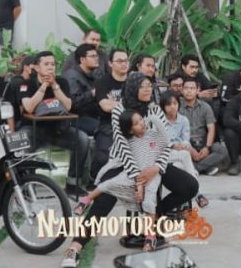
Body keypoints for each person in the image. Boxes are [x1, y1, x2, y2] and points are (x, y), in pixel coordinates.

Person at [59, 73, 199, 267]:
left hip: (152, 162)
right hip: (124, 164)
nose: (148, 89)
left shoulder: (155, 110)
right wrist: (138, 179)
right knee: (104, 199)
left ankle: (154, 218)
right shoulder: (120, 110)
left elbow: (166, 143)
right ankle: (75, 247)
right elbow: (123, 148)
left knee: (189, 186)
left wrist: (156, 168)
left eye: (149, 86)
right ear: (133, 88)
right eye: (143, 86)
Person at [72, 109, 166, 251]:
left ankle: (150, 236)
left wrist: (152, 118)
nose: (141, 123)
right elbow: (131, 161)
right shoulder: (130, 141)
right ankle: (86, 201)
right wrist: (139, 185)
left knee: (149, 201)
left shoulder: (154, 133)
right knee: (108, 185)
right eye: (137, 123)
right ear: (130, 130)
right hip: (133, 171)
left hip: (153, 174)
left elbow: (166, 140)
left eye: (141, 120)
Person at [19, 51, 89, 197]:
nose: (51, 67)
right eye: (46, 64)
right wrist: (44, 86)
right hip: (34, 129)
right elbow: (29, 107)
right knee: (23, 141)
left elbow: (68, 106)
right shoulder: (26, 83)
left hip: (59, 129)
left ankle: (73, 183)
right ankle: (27, 186)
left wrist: (54, 85)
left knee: (82, 139)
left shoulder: (62, 82)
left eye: (53, 64)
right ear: (36, 67)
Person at [160, 92, 209, 207]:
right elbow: (159, 142)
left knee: (181, 166)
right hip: (164, 154)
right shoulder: (159, 120)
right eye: (168, 104)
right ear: (163, 107)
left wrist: (181, 145)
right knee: (186, 156)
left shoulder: (183, 120)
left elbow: (186, 140)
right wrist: (173, 145)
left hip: (179, 155)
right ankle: (198, 193)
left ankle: (183, 203)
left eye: (175, 103)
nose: (172, 107)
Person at [91, 48, 130, 178]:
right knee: (103, 157)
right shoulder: (102, 82)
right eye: (119, 61)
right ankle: (97, 181)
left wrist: (115, 103)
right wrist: (127, 104)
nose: (124, 64)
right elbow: (106, 106)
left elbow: (140, 105)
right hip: (109, 124)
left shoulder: (134, 81)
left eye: (126, 61)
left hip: (133, 123)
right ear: (110, 63)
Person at [179, 78, 229, 176]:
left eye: (192, 88)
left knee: (222, 150)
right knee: (178, 151)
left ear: (198, 90)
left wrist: (207, 147)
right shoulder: (177, 107)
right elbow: (175, 131)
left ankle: (195, 168)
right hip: (185, 143)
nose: (189, 91)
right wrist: (189, 148)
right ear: (182, 90)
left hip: (203, 143)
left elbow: (211, 128)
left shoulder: (205, 107)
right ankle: (206, 167)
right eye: (186, 88)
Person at [61, 43, 101, 136]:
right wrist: (92, 93)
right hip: (76, 118)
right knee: (105, 129)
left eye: (96, 56)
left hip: (93, 116)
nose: (96, 58)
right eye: (92, 56)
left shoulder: (94, 75)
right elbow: (74, 103)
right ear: (82, 59)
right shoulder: (71, 76)